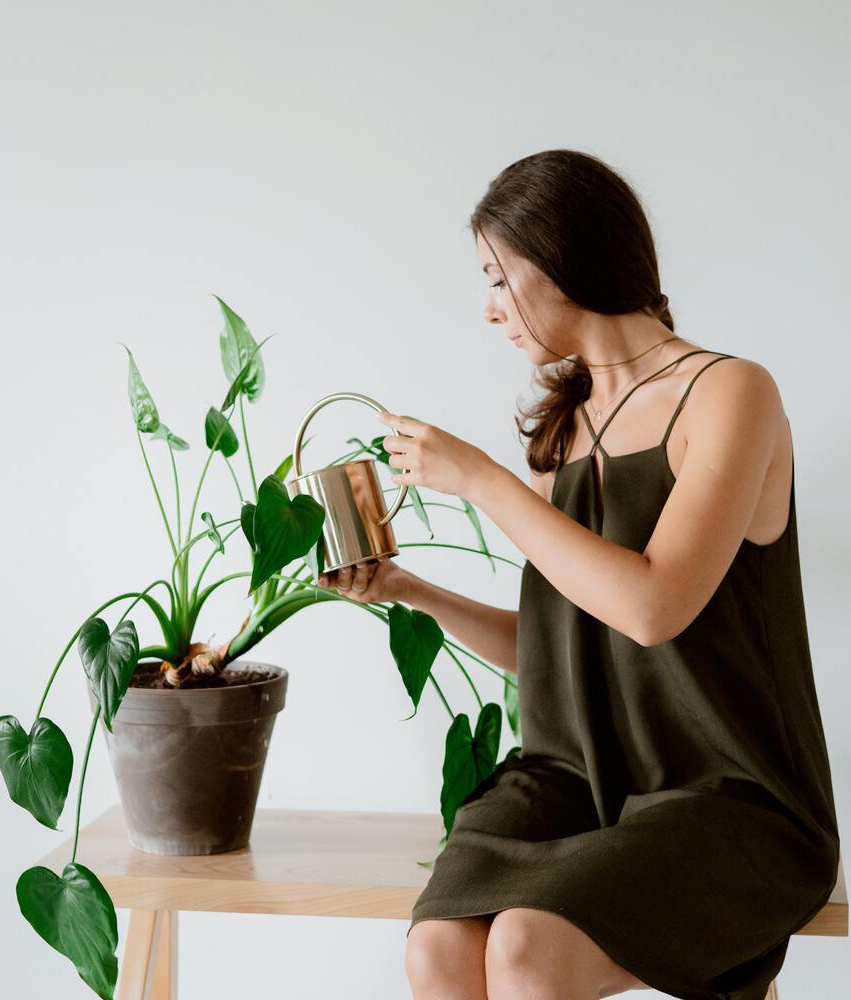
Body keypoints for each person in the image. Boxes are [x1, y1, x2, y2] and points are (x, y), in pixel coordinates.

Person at [317, 149, 840, 1000]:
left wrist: (481, 480)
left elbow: (652, 608)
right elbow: (559, 652)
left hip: (730, 794)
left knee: (528, 948)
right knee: (439, 948)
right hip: (579, 778)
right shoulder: (561, 433)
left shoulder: (730, 393)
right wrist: (410, 590)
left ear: (563, 258)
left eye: (498, 278)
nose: (490, 311)